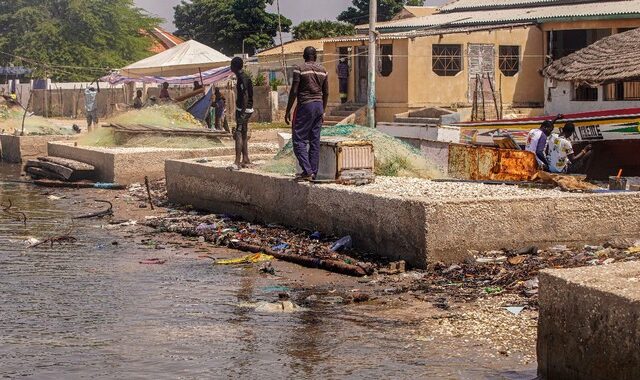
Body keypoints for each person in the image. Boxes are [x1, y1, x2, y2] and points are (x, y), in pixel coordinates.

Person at [285, 46, 329, 182]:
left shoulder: (299, 68)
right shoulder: (323, 70)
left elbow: (294, 91)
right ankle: (313, 172)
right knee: (314, 141)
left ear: (304, 56)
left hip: (305, 105)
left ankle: (307, 170)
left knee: (299, 139)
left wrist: (288, 110)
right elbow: (326, 92)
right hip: (319, 106)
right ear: (315, 57)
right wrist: (323, 110)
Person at [230, 57, 254, 170]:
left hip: (244, 110)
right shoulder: (242, 77)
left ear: (234, 66)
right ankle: (245, 159)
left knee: (238, 133)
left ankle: (237, 162)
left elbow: (245, 96)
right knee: (243, 133)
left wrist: (243, 113)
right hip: (245, 109)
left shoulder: (242, 78)